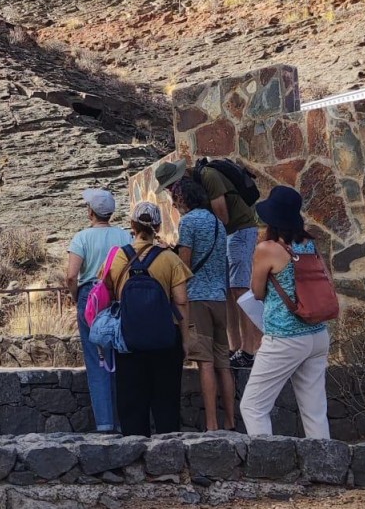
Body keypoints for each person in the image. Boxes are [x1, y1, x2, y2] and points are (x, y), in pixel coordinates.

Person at [238, 186, 330, 439]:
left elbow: (256, 291)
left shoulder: (268, 249)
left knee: (253, 406)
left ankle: (269, 466)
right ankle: (325, 468)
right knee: (314, 411)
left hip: (285, 337)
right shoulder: (309, 244)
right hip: (317, 334)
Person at [155, 158, 261, 368]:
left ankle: (249, 350)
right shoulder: (196, 186)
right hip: (227, 235)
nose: (171, 192)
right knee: (227, 290)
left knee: (239, 288)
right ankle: (235, 347)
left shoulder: (208, 177)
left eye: (171, 187)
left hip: (240, 230)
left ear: (180, 178)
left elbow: (222, 217)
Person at [106, 202, 191, 437]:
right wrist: (185, 339)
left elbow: (107, 293)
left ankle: (134, 455)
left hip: (128, 337)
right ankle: (168, 453)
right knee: (166, 399)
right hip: (165, 336)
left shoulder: (117, 257)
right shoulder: (170, 259)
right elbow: (182, 301)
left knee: (131, 400)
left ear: (132, 225)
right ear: (157, 226)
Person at [171, 176, 236, 432]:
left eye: (175, 200)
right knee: (223, 362)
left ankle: (211, 425)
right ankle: (231, 421)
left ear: (184, 198)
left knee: (205, 362)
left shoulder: (188, 222)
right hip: (219, 297)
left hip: (197, 298)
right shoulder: (218, 223)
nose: (175, 205)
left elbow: (185, 266)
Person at [66, 188, 132, 433]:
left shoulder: (81, 238)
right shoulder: (125, 236)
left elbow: (72, 275)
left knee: (97, 361)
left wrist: (76, 298)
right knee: (121, 356)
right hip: (118, 297)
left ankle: (104, 423)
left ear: (90, 212)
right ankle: (125, 420)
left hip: (90, 298)